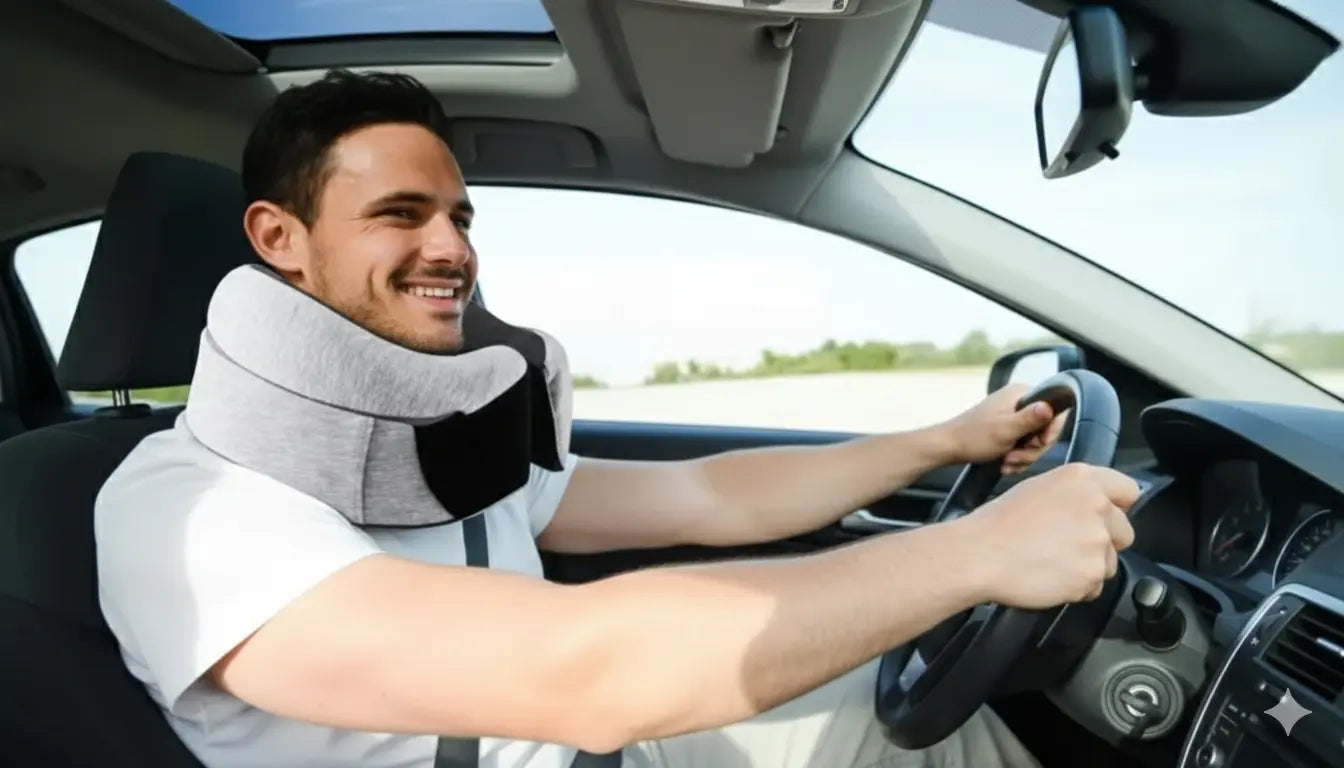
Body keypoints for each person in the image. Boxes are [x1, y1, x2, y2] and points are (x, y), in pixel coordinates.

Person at [94, 69, 1139, 768]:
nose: (453, 248)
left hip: (602, 752)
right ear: (279, 237)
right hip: (588, 729)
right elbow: (581, 671)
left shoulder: (436, 442)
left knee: (902, 717)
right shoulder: (187, 511)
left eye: (459, 215)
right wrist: (971, 556)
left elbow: (704, 494)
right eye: (400, 215)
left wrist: (946, 441)